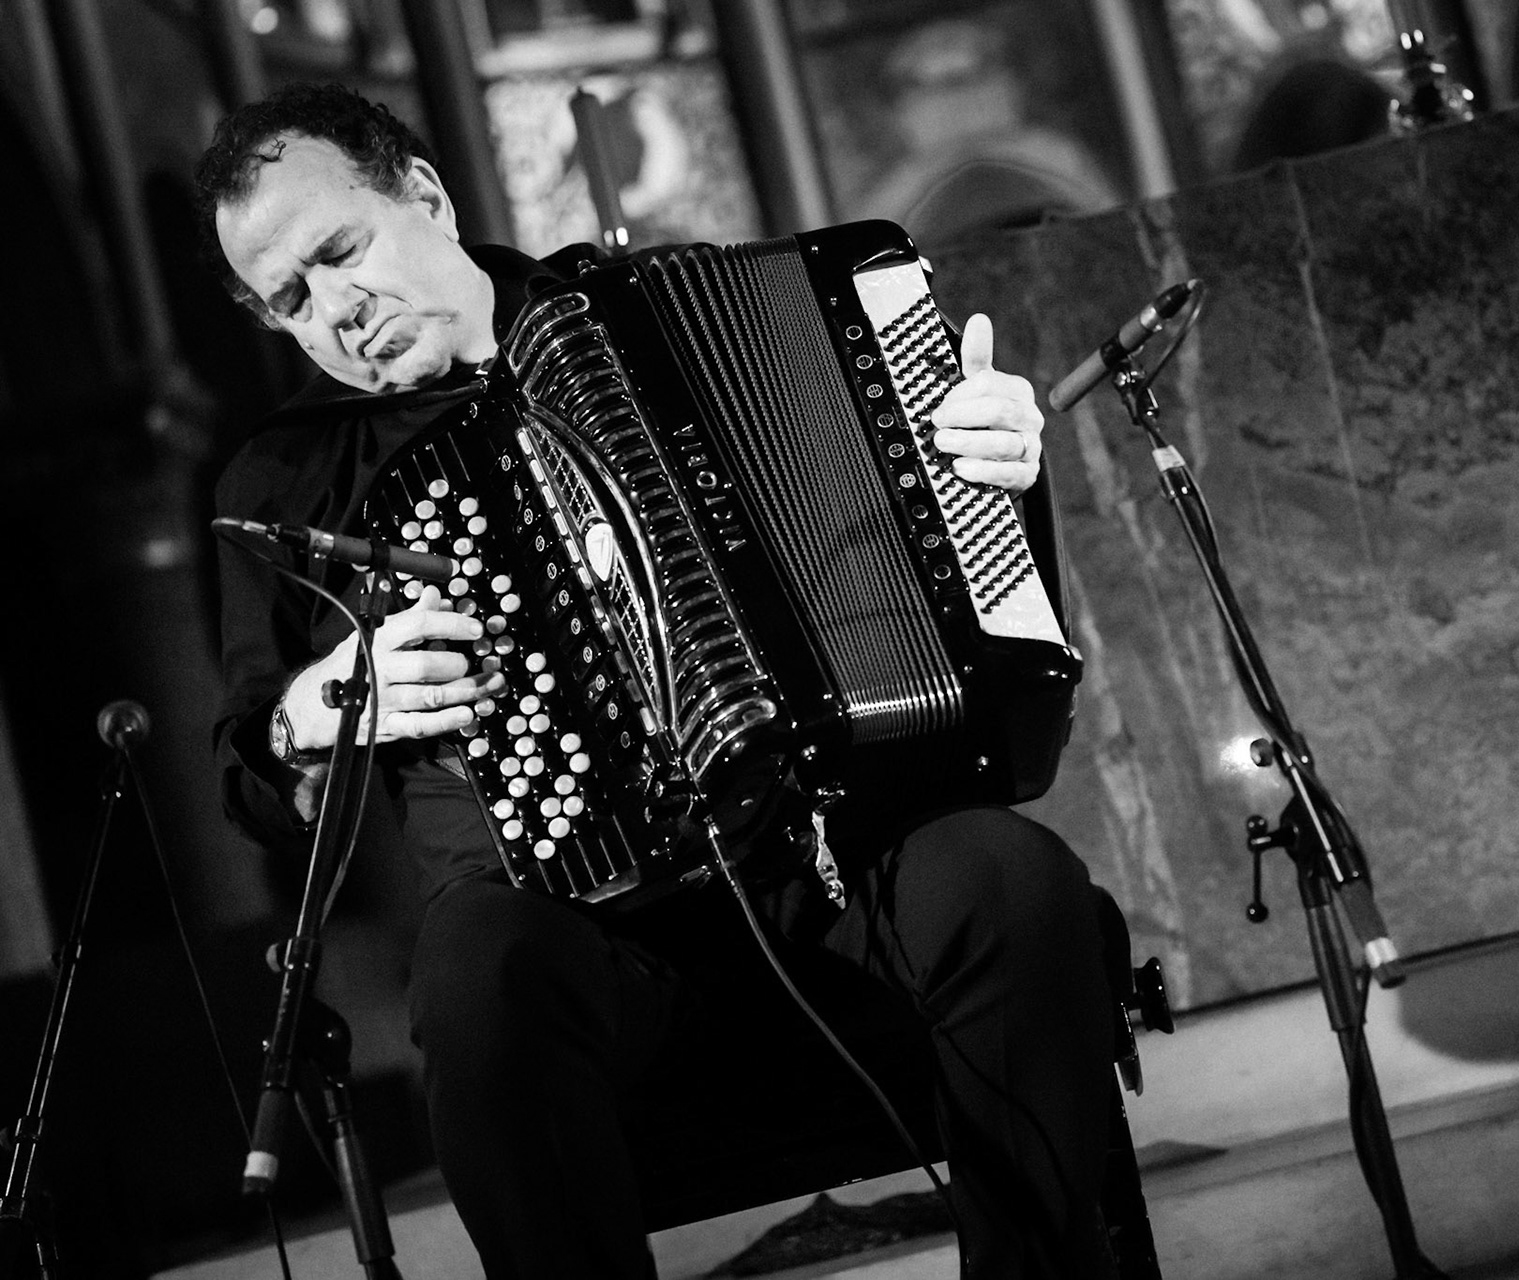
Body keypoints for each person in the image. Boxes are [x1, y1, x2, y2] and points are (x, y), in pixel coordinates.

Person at [198, 83, 1118, 1279]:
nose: (334, 311)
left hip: (827, 852)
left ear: (423, 194)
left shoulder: (650, 308)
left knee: (1009, 879)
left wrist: (988, 474)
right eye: (290, 301)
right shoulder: (286, 477)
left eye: (340, 251)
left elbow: (934, 564)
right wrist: (310, 710)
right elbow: (248, 779)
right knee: (476, 977)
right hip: (573, 928)